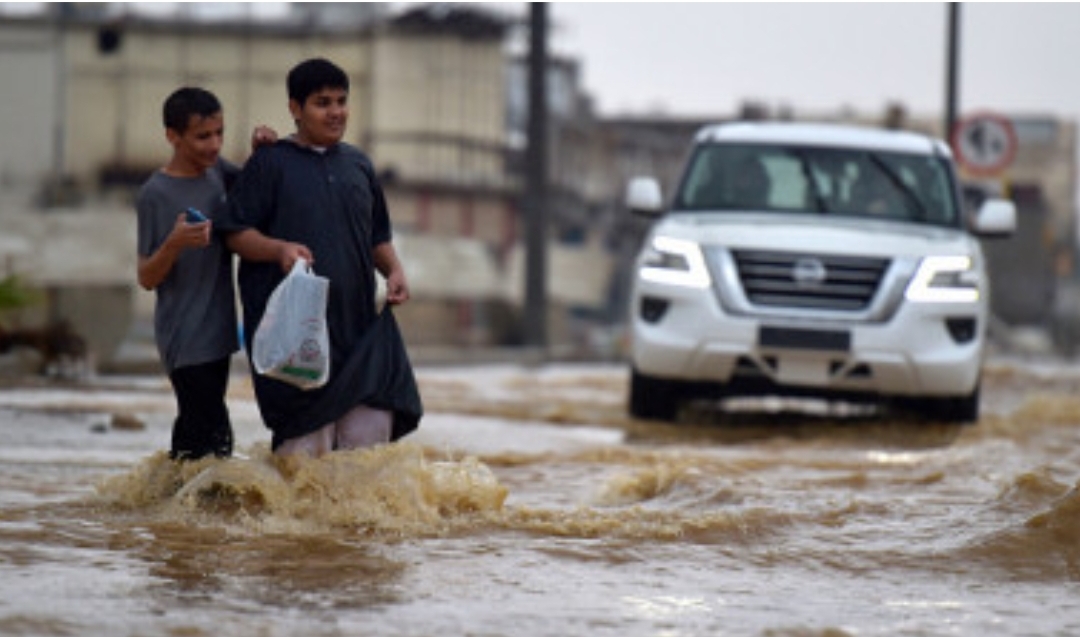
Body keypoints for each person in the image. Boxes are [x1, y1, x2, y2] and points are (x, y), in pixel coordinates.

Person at [217, 57, 423, 458]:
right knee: (302, 467)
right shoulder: (270, 163)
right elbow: (234, 233)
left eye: (342, 101)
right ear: (295, 109)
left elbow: (376, 236)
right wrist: (278, 250)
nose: (336, 112)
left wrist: (394, 270)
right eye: (322, 102)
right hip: (296, 342)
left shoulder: (359, 164)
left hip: (358, 337)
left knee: (366, 464)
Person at [136, 87, 275, 461]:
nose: (214, 145)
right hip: (184, 336)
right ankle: (192, 509)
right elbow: (146, 277)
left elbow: (252, 187)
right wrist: (175, 242)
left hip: (218, 333)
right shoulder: (156, 193)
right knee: (216, 440)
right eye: (202, 136)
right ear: (173, 136)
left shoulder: (216, 172)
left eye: (219, 134)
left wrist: (260, 152)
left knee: (195, 437)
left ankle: (165, 512)